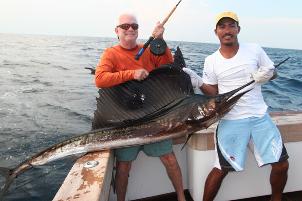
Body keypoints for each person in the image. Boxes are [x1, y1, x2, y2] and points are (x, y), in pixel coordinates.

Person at [183, 11, 289, 201]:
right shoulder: (211, 61)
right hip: (231, 119)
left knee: (281, 164)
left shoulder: (255, 49)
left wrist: (268, 75)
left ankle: (277, 199)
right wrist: (198, 82)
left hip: (260, 117)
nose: (227, 30)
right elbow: (214, 93)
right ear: (215, 32)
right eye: (222, 26)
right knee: (222, 168)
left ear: (238, 29)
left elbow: (272, 72)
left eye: (231, 25)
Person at [94, 13, 186, 201]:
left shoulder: (149, 49)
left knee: (170, 159)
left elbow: (168, 66)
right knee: (124, 165)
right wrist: (131, 74)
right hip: (126, 120)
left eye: (134, 26)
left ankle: (181, 197)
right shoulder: (110, 53)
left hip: (154, 117)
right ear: (117, 31)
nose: (130, 29)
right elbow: (100, 79)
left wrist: (159, 40)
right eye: (125, 26)